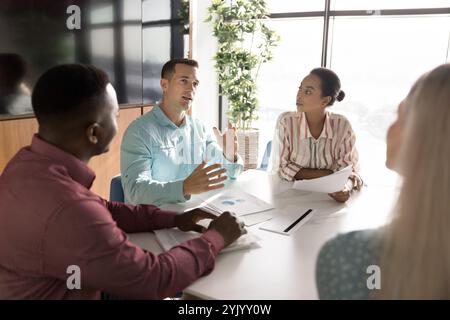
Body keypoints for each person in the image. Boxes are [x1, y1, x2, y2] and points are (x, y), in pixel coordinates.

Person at [0, 64, 246, 300]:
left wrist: (174, 218)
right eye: (115, 115)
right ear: (94, 133)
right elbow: (155, 279)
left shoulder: (25, 164)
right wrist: (215, 238)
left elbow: (106, 208)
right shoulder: (70, 209)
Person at [315, 64, 450, 299]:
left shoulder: (349, 257)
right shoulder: (287, 123)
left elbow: (349, 171)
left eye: (400, 114)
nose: (390, 127)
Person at [121, 58, 243, 206]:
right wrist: (184, 187)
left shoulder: (199, 128)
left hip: (195, 213)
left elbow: (228, 174)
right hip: (156, 222)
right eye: (184, 81)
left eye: (195, 84)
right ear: (164, 85)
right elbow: (135, 192)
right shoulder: (139, 132)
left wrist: (230, 155)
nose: (191, 89)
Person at [271, 67, 362, 203]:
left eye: (307, 92)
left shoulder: (342, 126)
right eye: (300, 89)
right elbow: (282, 168)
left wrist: (346, 188)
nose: (299, 95)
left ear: (325, 101)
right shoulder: (286, 122)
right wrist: (328, 174)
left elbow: (351, 172)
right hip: (290, 201)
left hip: (328, 203)